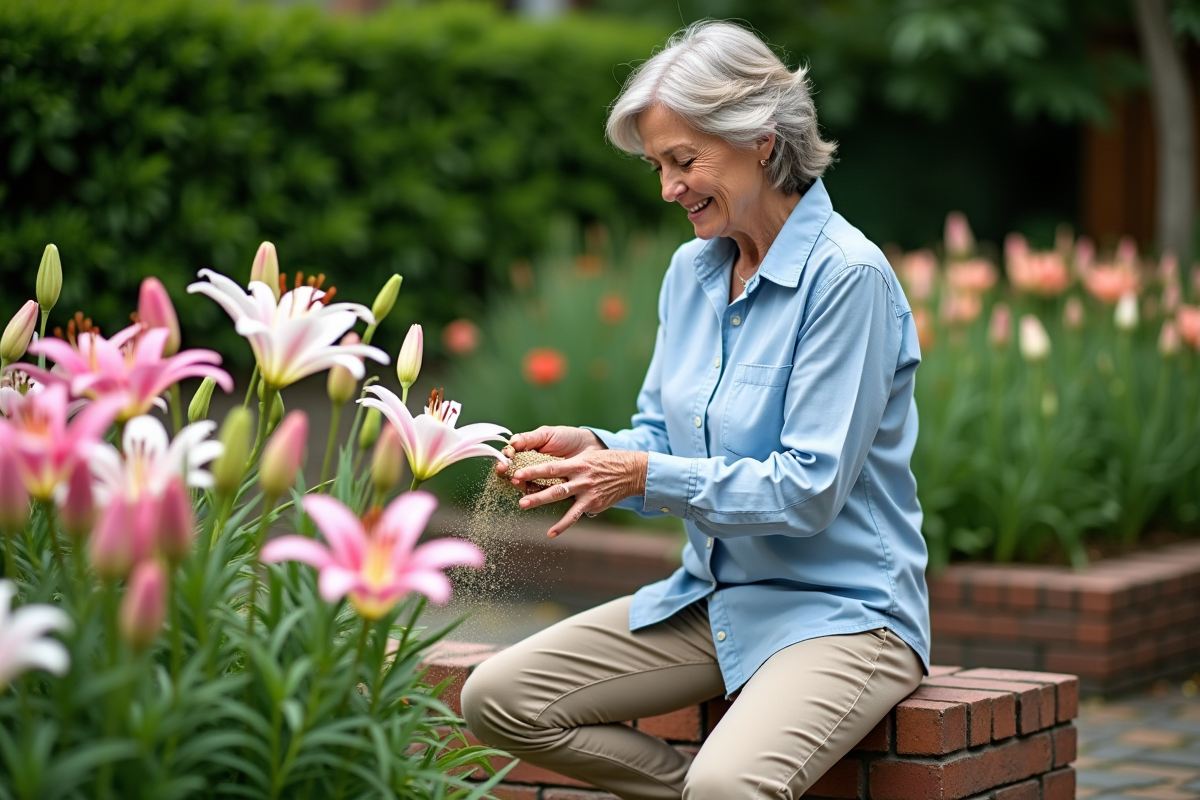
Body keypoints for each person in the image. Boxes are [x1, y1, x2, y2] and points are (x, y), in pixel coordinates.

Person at [460, 20, 930, 800]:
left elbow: (807, 488)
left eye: (684, 160)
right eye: (658, 165)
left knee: (727, 788)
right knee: (498, 699)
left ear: (764, 143)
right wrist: (595, 452)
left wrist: (641, 470)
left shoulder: (849, 279)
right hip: (712, 599)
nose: (668, 188)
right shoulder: (691, 272)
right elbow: (658, 437)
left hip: (848, 617)